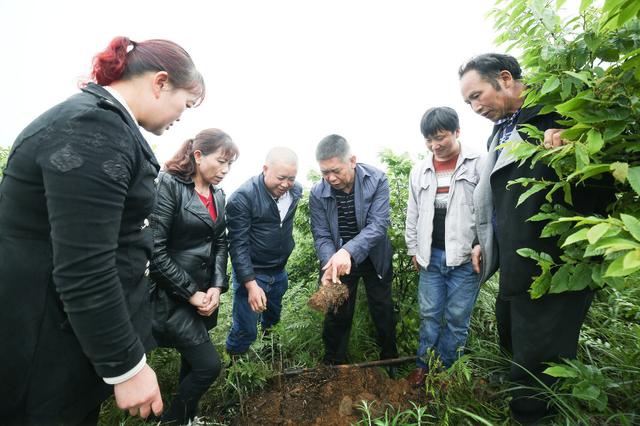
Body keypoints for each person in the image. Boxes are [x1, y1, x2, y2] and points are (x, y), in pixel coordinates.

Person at [0, 36, 204, 425]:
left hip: (60, 342)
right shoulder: (92, 128)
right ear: (161, 83)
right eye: (186, 103)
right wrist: (127, 366)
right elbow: (84, 266)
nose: (182, 116)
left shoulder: (104, 123)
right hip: (41, 351)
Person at [458, 53, 612, 422]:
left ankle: (535, 416)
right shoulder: (502, 130)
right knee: (514, 340)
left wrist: (576, 143)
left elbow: (605, 179)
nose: (475, 107)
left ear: (506, 78)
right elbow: (499, 197)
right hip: (515, 263)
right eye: (468, 102)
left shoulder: (560, 115)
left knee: (540, 354)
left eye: (477, 96)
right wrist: (484, 241)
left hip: (553, 266)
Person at [149, 129, 238, 424]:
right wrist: (190, 292)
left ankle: (188, 417)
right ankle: (172, 421)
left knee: (192, 361)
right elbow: (156, 251)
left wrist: (216, 285)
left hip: (203, 294)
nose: (225, 170)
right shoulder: (170, 185)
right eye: (221, 161)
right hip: (172, 294)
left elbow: (221, 242)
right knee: (208, 366)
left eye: (230, 164)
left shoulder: (218, 194)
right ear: (198, 156)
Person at [404, 107, 483, 386]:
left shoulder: (478, 163)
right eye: (429, 140)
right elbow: (412, 211)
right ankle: (423, 366)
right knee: (428, 315)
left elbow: (490, 211)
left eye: (440, 138)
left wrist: (480, 245)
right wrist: (413, 249)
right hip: (431, 257)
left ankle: (445, 371)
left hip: (465, 258)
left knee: (457, 318)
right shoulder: (420, 170)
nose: (435, 145)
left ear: (457, 132)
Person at [309, 134, 398, 367]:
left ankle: (389, 363)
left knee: (383, 310)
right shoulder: (318, 193)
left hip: (374, 258)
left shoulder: (376, 179)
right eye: (324, 173)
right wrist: (330, 263)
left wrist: (347, 251)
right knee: (337, 312)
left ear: (352, 161)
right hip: (339, 260)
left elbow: (378, 225)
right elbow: (322, 234)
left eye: (335, 171)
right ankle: (333, 365)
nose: (331, 178)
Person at [225, 147, 303, 355]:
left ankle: (270, 365)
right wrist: (250, 285)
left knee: (273, 324)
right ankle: (237, 375)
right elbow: (237, 245)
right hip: (253, 274)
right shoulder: (242, 198)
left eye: (291, 178)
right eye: (281, 177)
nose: (286, 184)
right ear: (265, 169)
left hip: (279, 273)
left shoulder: (295, 192)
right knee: (245, 329)